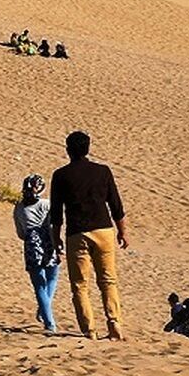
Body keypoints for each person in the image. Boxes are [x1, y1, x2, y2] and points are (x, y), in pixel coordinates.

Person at [50, 131, 127, 340]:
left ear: (68, 151)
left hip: (77, 233)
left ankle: (89, 330)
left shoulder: (60, 175)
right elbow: (116, 205)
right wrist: (122, 231)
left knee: (79, 285)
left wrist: (55, 238)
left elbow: (56, 212)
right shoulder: (103, 172)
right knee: (108, 280)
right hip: (104, 230)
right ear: (88, 148)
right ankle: (114, 323)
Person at [13, 174, 60, 332]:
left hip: (31, 244)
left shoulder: (19, 207)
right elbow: (55, 224)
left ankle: (49, 321)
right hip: (49, 241)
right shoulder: (47, 204)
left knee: (39, 284)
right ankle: (45, 311)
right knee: (52, 276)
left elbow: (20, 232)